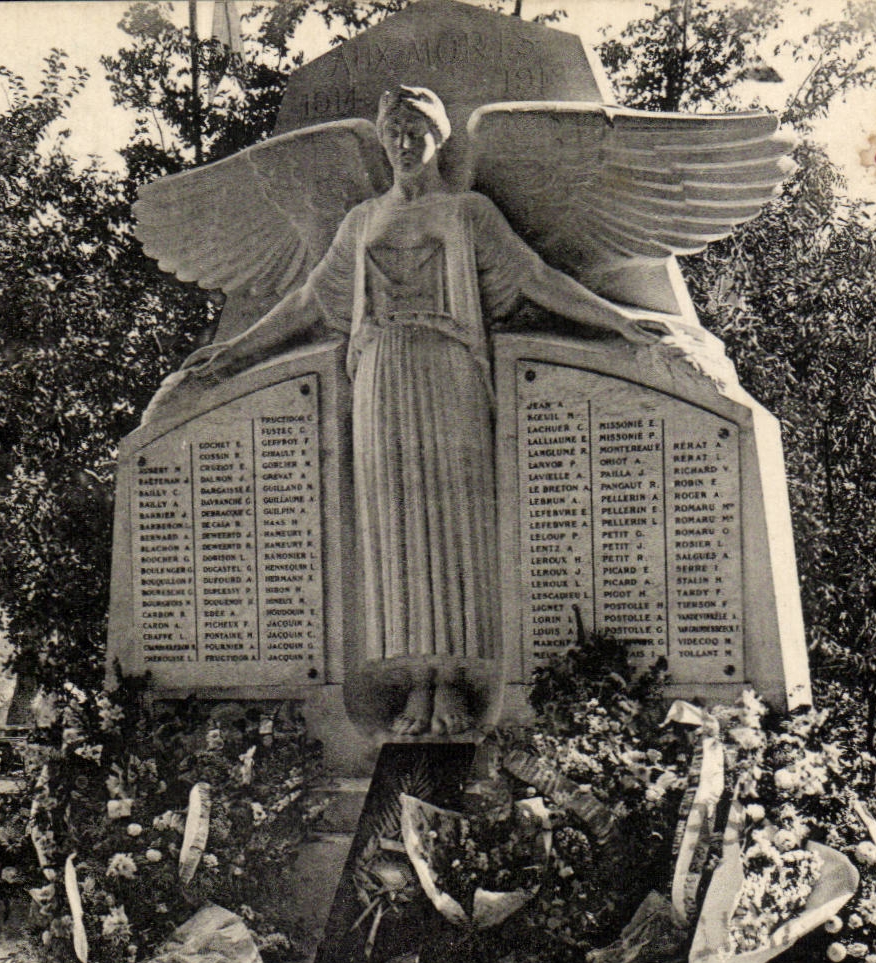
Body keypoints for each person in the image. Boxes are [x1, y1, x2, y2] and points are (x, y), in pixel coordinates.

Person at [177, 86, 657, 735]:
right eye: (395, 131)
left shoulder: (469, 213)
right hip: (378, 380)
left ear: (439, 137)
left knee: (452, 525)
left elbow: (536, 279)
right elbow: (310, 305)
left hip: (446, 371)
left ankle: (457, 684)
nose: (405, 143)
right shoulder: (361, 222)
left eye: (417, 131)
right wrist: (234, 352)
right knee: (393, 533)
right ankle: (413, 687)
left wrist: (619, 324)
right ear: (382, 139)